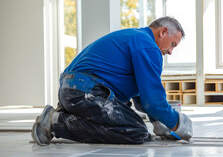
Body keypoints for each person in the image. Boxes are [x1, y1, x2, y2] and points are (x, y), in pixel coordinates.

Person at [31, 16, 193, 145]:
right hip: (86, 92)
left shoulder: (135, 37)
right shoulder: (148, 46)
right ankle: (56, 122)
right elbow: (153, 101)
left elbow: (142, 99)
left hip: (72, 91)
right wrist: (178, 124)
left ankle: (63, 115)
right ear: (163, 32)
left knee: (127, 117)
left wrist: (160, 123)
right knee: (136, 130)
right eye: (172, 44)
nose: (170, 52)